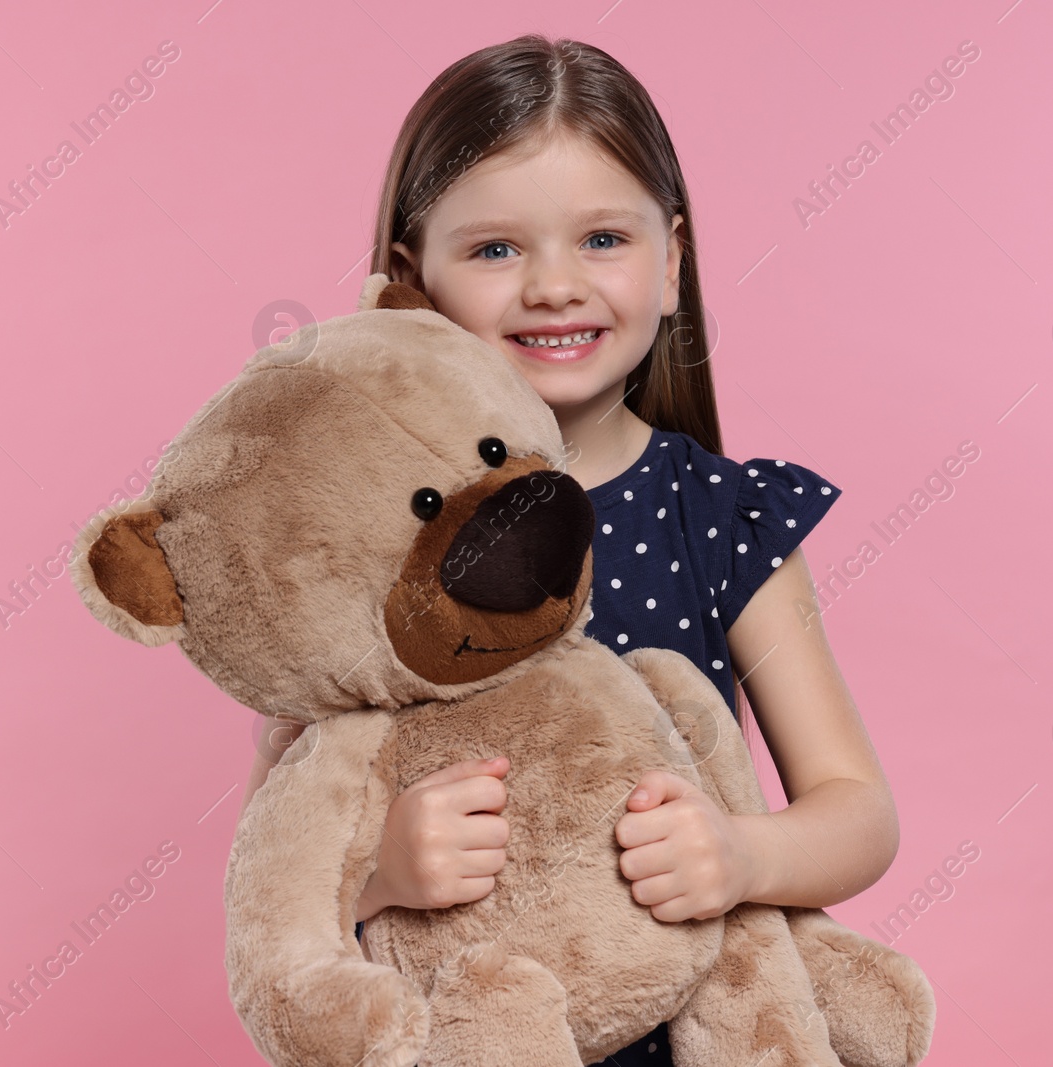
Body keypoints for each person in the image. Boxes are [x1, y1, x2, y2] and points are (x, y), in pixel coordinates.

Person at [242, 33, 900, 1065]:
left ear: (672, 261)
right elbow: (277, 859)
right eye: (496, 249)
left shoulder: (723, 518)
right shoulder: (369, 529)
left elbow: (858, 813)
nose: (553, 285)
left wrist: (738, 852)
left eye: (602, 238)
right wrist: (380, 868)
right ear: (413, 285)